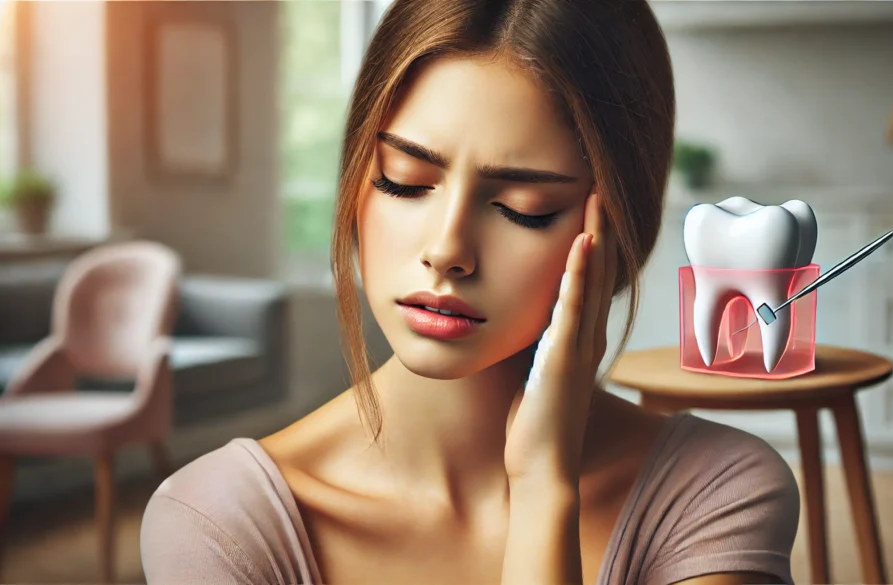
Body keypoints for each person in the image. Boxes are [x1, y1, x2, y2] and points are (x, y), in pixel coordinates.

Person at [139, 1, 801, 584]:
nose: (447, 248)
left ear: (619, 230)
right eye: (404, 180)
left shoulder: (718, 495)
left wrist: (544, 489)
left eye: (523, 206)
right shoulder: (215, 524)